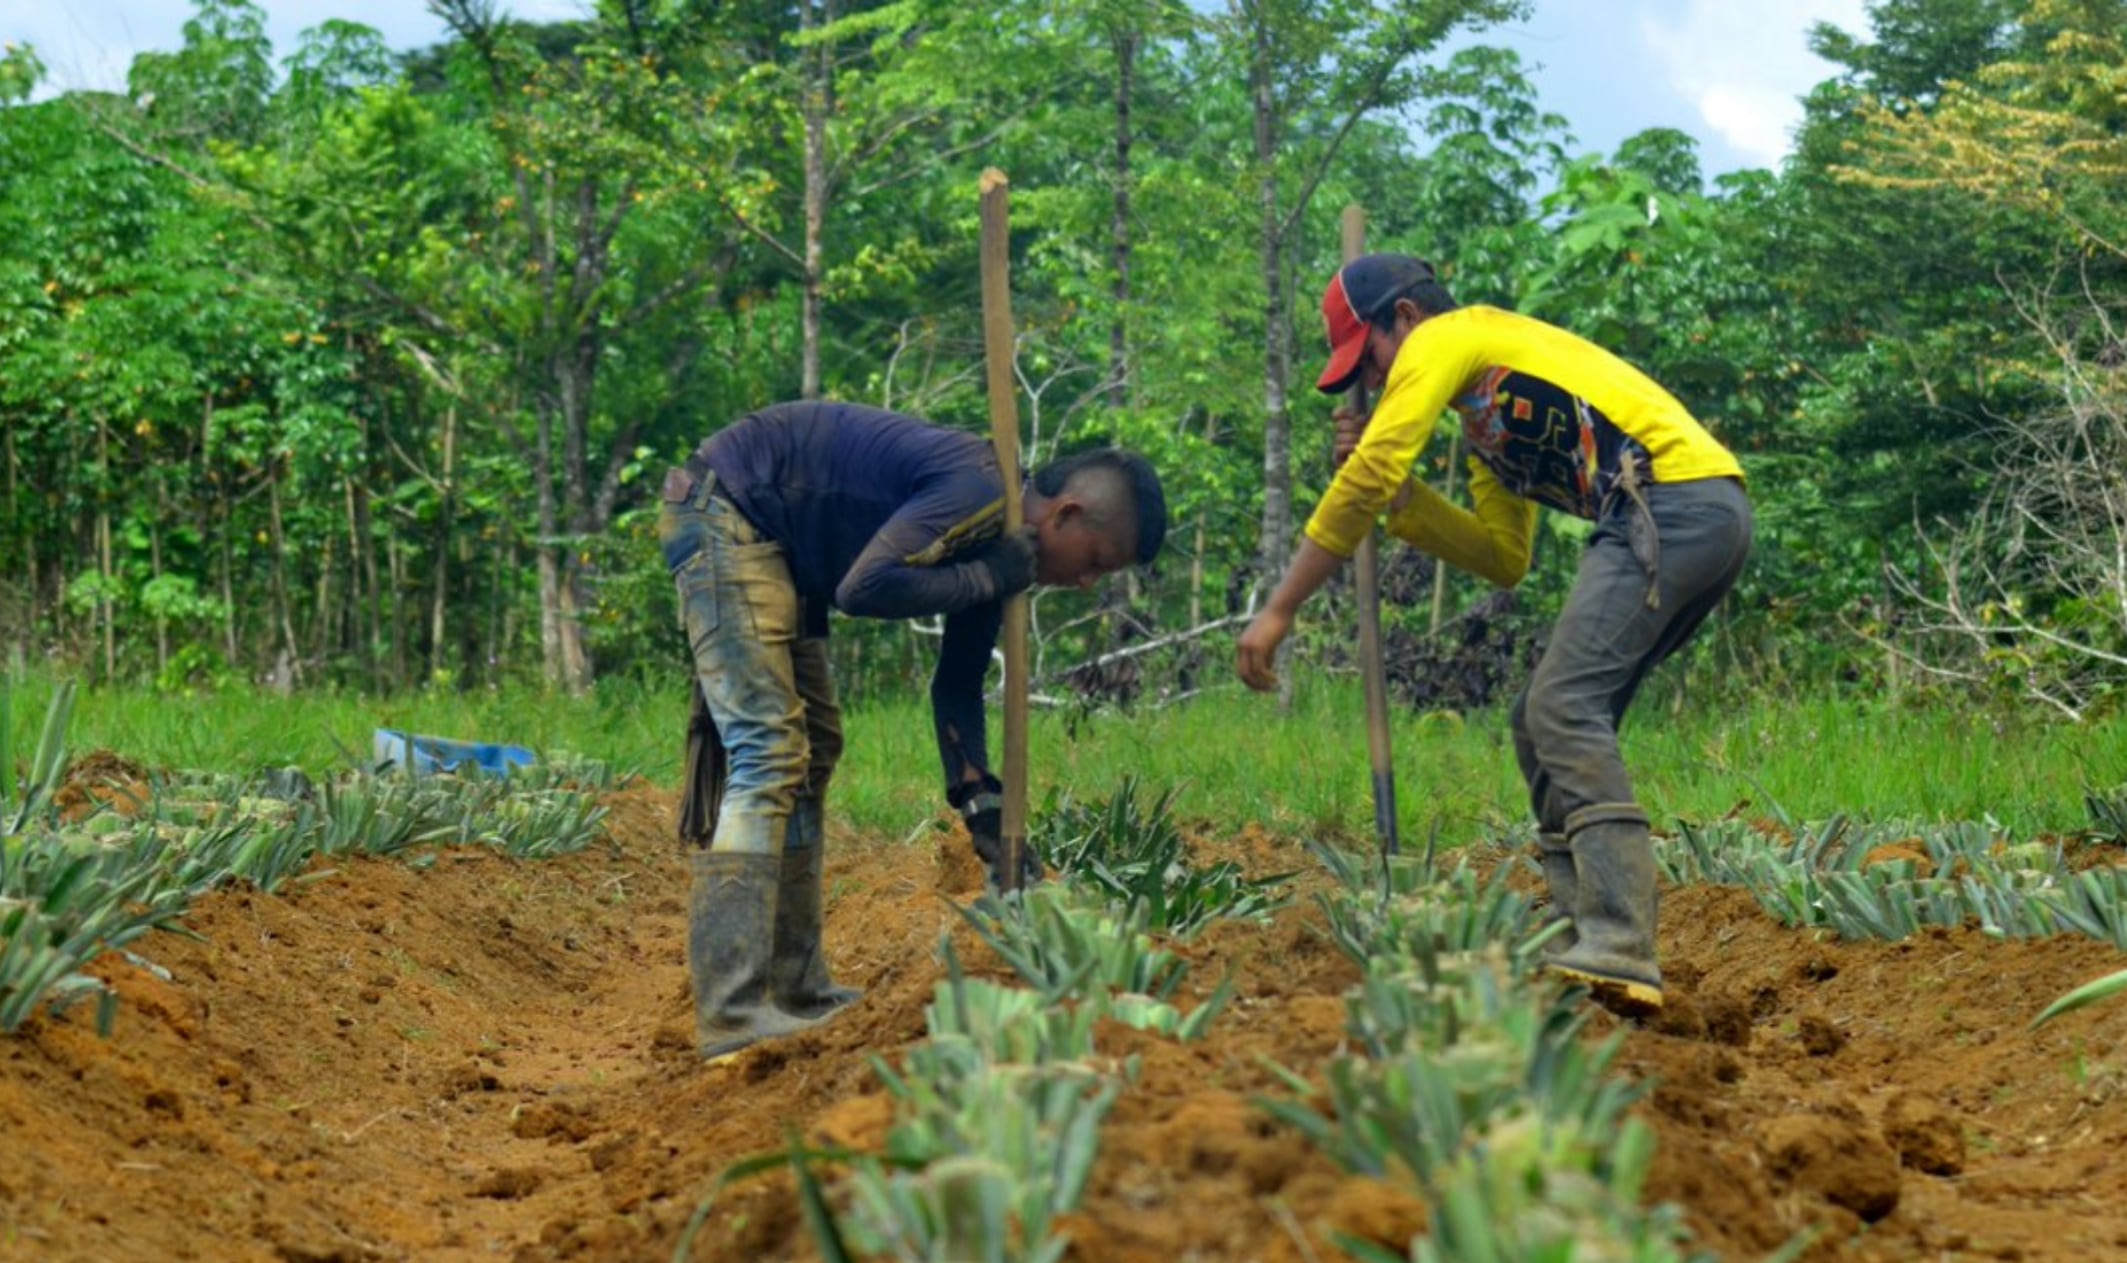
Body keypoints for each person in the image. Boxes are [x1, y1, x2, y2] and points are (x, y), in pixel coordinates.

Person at [1236, 253, 1751, 1014]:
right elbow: (1504, 558)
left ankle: (1620, 939)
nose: (1373, 382)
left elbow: (1371, 467)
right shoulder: (1488, 426)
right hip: (1694, 515)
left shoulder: (1458, 335)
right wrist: (1408, 498)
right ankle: (1581, 926)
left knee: (1563, 708)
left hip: (1673, 502)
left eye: (1370, 358)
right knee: (1538, 718)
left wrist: (1281, 607)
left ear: (1405, 318)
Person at [664, 400, 1167, 1063]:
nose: (1084, 582)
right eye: (1095, 561)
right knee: (767, 749)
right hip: (728, 510)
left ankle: (796, 988)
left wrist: (983, 810)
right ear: (1066, 514)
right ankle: (732, 1013)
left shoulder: (1001, 546)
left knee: (812, 751)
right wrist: (989, 576)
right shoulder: (984, 495)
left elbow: (957, 687)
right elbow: (864, 587)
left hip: (778, 543)